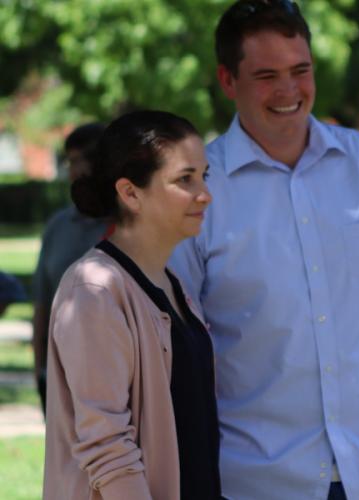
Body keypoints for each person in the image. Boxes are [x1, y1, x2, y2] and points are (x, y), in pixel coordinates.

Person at [169, 1, 359, 499]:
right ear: (228, 81)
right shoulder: (197, 194)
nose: (289, 91)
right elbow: (175, 346)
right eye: (267, 75)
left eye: (301, 70)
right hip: (257, 485)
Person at [43, 110, 220, 500]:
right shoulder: (94, 290)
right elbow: (107, 447)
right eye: (184, 179)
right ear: (130, 193)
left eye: (204, 176)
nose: (205, 193)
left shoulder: (170, 281)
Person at [32, 122, 107, 414]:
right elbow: (42, 305)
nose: (77, 170)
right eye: (72, 161)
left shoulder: (131, 225)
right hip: (61, 376)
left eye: (85, 159)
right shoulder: (57, 228)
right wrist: (40, 371)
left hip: (115, 378)